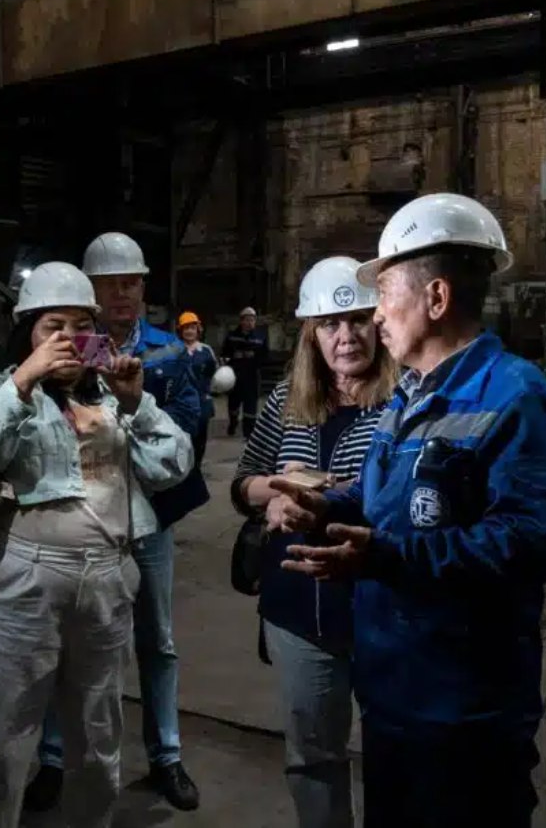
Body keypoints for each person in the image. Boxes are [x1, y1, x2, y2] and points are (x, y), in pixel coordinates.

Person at [274, 193, 546, 827]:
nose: (375, 316)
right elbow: (382, 497)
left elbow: (530, 543)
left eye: (385, 293)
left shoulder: (516, 398)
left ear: (436, 298)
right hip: (394, 688)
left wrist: (384, 557)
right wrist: (323, 506)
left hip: (464, 704)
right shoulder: (409, 394)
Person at [0, 261, 194, 828]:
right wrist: (23, 380)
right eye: (52, 327)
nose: (67, 339)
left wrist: (136, 403)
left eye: (81, 327)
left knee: (98, 739)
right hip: (24, 581)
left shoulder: (111, 397)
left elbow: (173, 463)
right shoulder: (0, 392)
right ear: (27, 333)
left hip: (107, 578)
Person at [18, 231, 207, 813]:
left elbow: (191, 421)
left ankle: (166, 755)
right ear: (89, 291)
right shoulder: (72, 350)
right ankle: (54, 759)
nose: (123, 294)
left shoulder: (168, 350)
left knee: (157, 640)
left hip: (149, 514)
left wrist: (138, 428)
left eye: (132, 283)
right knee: (67, 644)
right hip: (84, 515)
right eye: (111, 284)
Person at [231, 257, 397, 828]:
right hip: (297, 610)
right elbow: (243, 481)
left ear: (379, 323)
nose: (345, 336)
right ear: (311, 335)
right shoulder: (286, 401)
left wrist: (338, 497)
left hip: (380, 606)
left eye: (357, 320)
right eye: (330, 324)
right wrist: (272, 497)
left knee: (395, 753)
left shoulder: (405, 403)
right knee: (313, 756)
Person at [176, 311, 218, 467]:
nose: (189, 331)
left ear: (198, 330)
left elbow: (215, 374)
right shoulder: (174, 349)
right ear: (180, 330)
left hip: (202, 400)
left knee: (200, 437)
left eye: (192, 328)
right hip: (181, 400)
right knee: (183, 435)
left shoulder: (206, 350)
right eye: (185, 328)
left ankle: (197, 466)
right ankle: (183, 467)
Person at [222, 307, 268, 438]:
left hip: (252, 376)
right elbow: (224, 354)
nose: (249, 323)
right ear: (241, 321)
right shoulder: (232, 336)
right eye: (247, 320)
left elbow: (265, 356)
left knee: (251, 406)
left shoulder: (260, 337)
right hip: (234, 375)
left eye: (252, 320)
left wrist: (254, 357)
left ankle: (248, 433)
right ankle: (233, 422)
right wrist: (233, 357)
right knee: (233, 404)